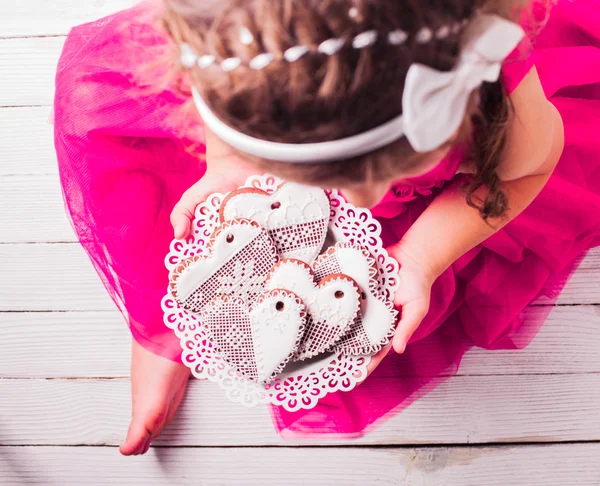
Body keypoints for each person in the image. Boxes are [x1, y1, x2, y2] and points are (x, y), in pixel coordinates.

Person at [54, 0, 600, 455]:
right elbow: (203, 79)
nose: (358, 200)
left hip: (433, 198)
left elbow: (528, 169)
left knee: (348, 318)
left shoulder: (493, 84)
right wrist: (225, 162)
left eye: (385, 172)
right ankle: (163, 329)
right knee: (129, 156)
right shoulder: (232, 39)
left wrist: (418, 256)